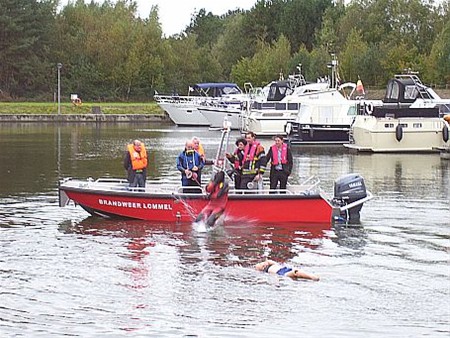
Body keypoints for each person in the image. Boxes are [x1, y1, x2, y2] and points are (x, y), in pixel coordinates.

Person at [255, 259, 320, 281]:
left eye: (261, 263)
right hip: (281, 273)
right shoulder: (267, 271)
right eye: (261, 265)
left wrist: (266, 262)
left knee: (297, 271)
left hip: (285, 269)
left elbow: (269, 260)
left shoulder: (273, 264)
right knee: (296, 273)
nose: (262, 264)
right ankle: (312, 277)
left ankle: (311, 276)